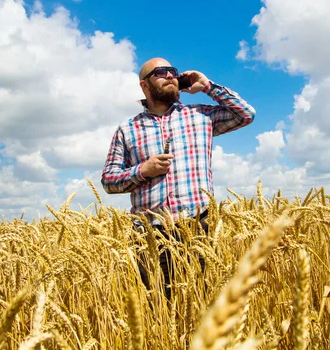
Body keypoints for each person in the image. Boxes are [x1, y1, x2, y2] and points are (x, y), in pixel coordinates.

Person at [101, 57, 255, 298]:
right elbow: (108, 181)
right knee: (158, 311)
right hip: (150, 235)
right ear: (144, 85)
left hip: (199, 227)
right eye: (161, 72)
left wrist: (207, 86)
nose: (171, 75)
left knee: (203, 304)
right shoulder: (127, 129)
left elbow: (246, 114)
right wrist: (143, 170)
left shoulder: (201, 116)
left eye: (173, 71)